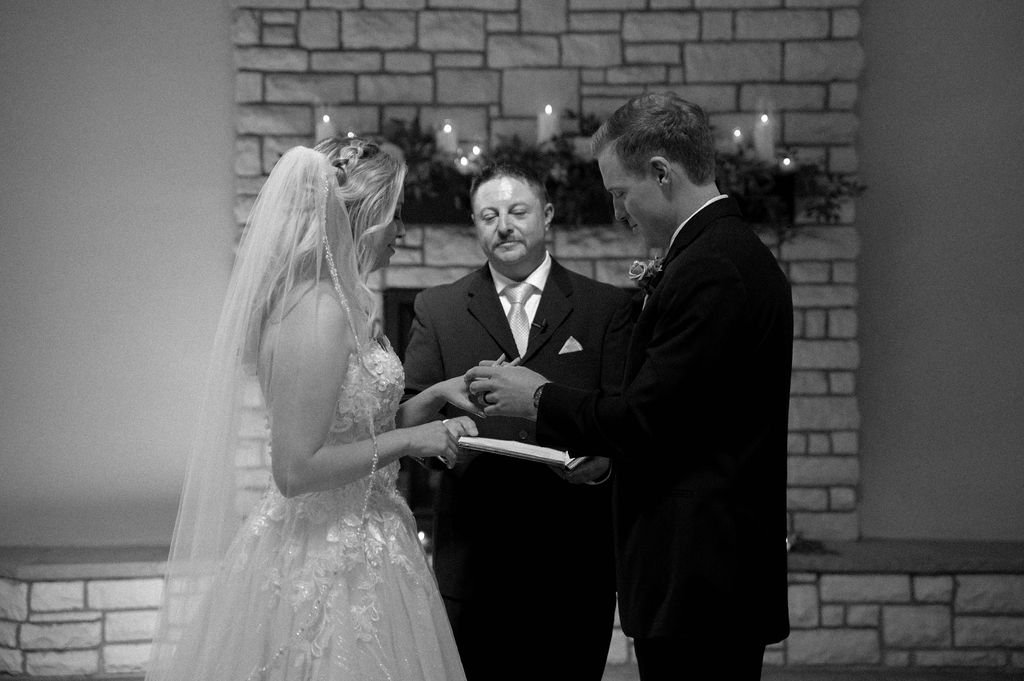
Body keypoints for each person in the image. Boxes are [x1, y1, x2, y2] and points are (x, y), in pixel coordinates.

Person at [465, 93, 793, 680]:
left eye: (620, 192)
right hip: (700, 572)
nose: (619, 212)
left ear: (662, 173)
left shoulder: (713, 267)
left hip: (700, 574)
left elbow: (648, 417)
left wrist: (535, 397)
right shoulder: (713, 253)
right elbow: (684, 414)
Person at [146, 139, 479, 681]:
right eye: (396, 215)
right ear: (364, 217)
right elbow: (296, 470)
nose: (402, 232)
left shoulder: (340, 302)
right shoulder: (318, 310)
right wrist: (412, 441)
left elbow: (354, 428)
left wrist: (434, 396)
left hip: (369, 537)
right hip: (324, 560)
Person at [401, 163, 633, 681]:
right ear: (475, 226)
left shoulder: (607, 308)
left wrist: (603, 464)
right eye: (489, 215)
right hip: (473, 557)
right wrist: (435, 442)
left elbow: (623, 420)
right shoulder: (438, 309)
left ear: (546, 216)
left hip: (574, 562)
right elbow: (408, 413)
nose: (503, 225)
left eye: (517, 211)